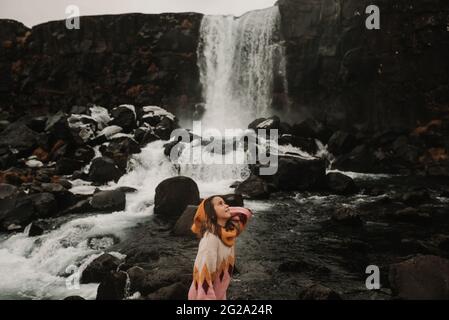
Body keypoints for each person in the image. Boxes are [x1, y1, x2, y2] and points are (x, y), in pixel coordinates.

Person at [188, 195, 252, 300]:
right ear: (211, 213)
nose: (227, 205)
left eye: (225, 203)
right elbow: (204, 278)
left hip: (220, 295)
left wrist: (223, 210)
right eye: (220, 203)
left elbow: (245, 213)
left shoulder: (229, 233)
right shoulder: (211, 239)